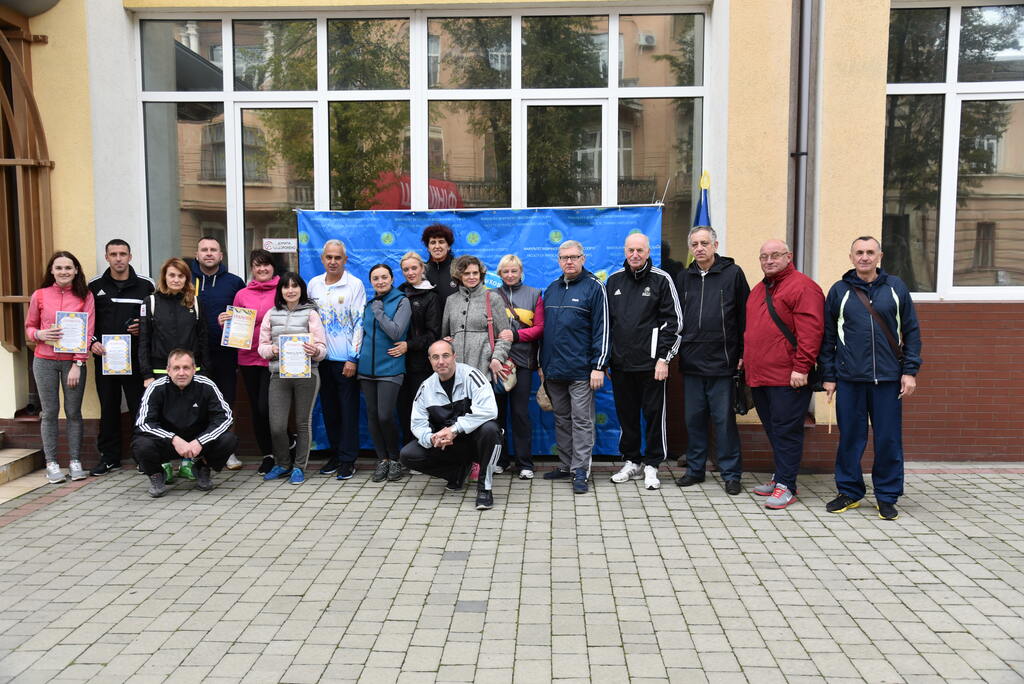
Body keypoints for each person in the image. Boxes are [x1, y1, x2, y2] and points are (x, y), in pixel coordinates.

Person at [820, 236, 922, 521]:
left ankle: (887, 497)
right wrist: (828, 375)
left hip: (888, 380)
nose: (864, 257)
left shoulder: (896, 288)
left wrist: (910, 371)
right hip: (850, 379)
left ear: (880, 256)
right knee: (850, 439)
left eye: (869, 252)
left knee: (888, 440)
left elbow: (911, 331)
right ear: (851, 257)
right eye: (859, 253)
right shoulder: (839, 291)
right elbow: (827, 337)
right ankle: (849, 492)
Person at [743, 240, 824, 510]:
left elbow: (811, 332)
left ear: (789, 256)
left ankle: (787, 486)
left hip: (788, 377)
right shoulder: (759, 290)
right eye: (764, 256)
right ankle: (780, 477)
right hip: (761, 376)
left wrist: (802, 367)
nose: (769, 261)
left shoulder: (803, 287)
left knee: (787, 432)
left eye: (775, 255)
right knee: (775, 430)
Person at [673, 227, 749, 494]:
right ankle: (695, 470)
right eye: (694, 244)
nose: (700, 248)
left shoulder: (733, 274)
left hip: (723, 362)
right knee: (694, 420)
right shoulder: (684, 277)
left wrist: (743, 353)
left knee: (723, 422)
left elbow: (745, 316)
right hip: (692, 362)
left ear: (715, 245)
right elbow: (676, 318)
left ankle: (731, 474)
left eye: (704, 243)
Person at [606, 234, 681, 491]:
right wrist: (608, 360)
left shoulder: (662, 279)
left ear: (648, 252)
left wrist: (663, 359)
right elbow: (607, 324)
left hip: (652, 366)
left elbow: (674, 323)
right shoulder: (614, 281)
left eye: (640, 250)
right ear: (625, 252)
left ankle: (652, 464)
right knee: (626, 416)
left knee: (653, 416)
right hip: (621, 365)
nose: (635, 254)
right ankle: (632, 461)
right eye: (631, 250)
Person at [539, 240, 609, 495]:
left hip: (581, 371)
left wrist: (598, 366)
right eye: (564, 257)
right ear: (558, 261)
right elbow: (545, 330)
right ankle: (567, 465)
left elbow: (603, 329)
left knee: (582, 422)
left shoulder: (595, 287)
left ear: (583, 258)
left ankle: (581, 471)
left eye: (573, 257)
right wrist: (542, 364)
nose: (569, 261)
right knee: (562, 420)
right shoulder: (552, 289)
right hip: (554, 370)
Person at [399, 340, 502, 511]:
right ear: (430, 360)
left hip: (476, 442)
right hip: (450, 446)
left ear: (454, 356)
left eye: (445, 356)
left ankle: (485, 488)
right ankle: (457, 473)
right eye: (435, 357)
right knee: (408, 455)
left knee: (491, 429)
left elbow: (490, 410)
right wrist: (432, 438)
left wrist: (454, 429)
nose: (441, 361)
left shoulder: (472, 376)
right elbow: (417, 424)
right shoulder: (426, 387)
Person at [25, 251, 96, 484]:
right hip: (44, 360)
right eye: (59, 268)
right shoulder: (40, 295)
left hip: (72, 363)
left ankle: (75, 461)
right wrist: (39, 334)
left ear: (76, 271)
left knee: (73, 412)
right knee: (50, 412)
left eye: (68, 267)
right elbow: (29, 327)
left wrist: (78, 363)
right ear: (52, 271)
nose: (63, 271)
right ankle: (52, 463)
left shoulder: (85, 296)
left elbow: (88, 332)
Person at [441, 255, 512, 483]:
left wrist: (497, 358)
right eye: (466, 273)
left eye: (475, 273)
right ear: (459, 276)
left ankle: (486, 465)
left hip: (484, 370)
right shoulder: (451, 300)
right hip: (457, 374)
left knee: (485, 422)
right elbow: (445, 334)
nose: (471, 277)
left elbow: (505, 336)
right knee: (459, 420)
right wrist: (447, 343)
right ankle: (463, 465)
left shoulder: (493, 298)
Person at [87, 239, 154, 475]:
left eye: (122, 254)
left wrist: (142, 327)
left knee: (139, 407)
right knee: (108, 408)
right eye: (113, 254)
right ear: (106, 257)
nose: (118, 258)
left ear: (130, 256)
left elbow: (155, 318)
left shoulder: (146, 285)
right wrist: (92, 342)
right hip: (105, 358)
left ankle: (141, 456)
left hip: (136, 359)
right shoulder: (94, 286)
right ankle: (109, 457)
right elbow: (87, 319)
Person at [139, 257, 209, 482]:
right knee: (161, 418)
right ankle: (165, 465)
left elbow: (203, 339)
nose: (176, 279)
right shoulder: (150, 302)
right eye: (172, 275)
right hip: (160, 371)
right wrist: (147, 374)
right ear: (164, 277)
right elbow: (144, 340)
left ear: (187, 279)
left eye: (181, 276)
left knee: (192, 417)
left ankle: (188, 463)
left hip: (191, 371)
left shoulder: (194, 302)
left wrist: (205, 371)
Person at [133, 349, 237, 497]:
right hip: (167, 443)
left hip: (198, 444)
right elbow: (143, 423)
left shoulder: (206, 385)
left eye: (186, 368)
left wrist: (200, 441)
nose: (181, 373)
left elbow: (225, 417)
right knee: (141, 444)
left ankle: (202, 467)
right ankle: (157, 474)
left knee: (228, 440)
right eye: (176, 368)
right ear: (168, 370)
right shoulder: (155, 387)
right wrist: (173, 439)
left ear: (194, 369)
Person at [257, 273, 327, 485]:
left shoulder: (311, 314)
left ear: (301, 289)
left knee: (302, 423)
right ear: (280, 291)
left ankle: (299, 467)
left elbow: (322, 348)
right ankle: (282, 463)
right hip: (279, 374)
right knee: (277, 425)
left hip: (307, 374)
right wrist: (272, 350)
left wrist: (315, 350)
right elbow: (261, 347)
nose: (290, 290)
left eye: (294, 286)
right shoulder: (271, 314)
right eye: (286, 287)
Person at [307, 239, 365, 480]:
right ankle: (335, 454)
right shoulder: (313, 284)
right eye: (329, 257)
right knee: (329, 410)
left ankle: (348, 459)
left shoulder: (355, 284)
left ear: (345, 260)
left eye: (337, 258)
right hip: (321, 359)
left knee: (348, 411)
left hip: (345, 360)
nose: (333, 261)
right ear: (322, 259)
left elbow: (359, 323)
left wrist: (353, 358)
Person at [218, 249, 278, 473]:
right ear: (251, 269)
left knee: (268, 407)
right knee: (256, 409)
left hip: (274, 357)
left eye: (266, 264)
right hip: (248, 359)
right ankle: (268, 455)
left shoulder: (282, 290)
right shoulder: (242, 294)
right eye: (257, 265)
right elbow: (236, 328)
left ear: (273, 267)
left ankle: (287, 443)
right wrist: (225, 323)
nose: (262, 269)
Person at [358, 263, 411, 483]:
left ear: (391, 278)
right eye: (376, 278)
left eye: (384, 277)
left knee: (385, 415)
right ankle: (383, 460)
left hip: (390, 367)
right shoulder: (370, 303)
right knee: (372, 416)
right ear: (371, 282)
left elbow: (396, 332)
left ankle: (396, 459)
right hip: (366, 369)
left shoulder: (402, 301)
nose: (380, 281)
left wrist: (379, 312)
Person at [494, 254, 544, 480]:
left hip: (523, 362)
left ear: (521, 272)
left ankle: (525, 463)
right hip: (497, 363)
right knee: (496, 414)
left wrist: (516, 335)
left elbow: (540, 328)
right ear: (499, 274)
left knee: (520, 413)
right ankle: (500, 460)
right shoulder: (491, 295)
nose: (510, 275)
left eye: (514, 270)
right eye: (505, 271)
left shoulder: (534, 294)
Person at [190, 236, 245, 407]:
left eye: (213, 250)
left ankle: (225, 426)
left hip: (225, 354)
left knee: (226, 401)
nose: (209, 253)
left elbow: (245, 317)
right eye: (204, 250)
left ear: (221, 256)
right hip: (193, 352)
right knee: (197, 403)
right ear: (197, 255)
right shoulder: (186, 281)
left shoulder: (235, 282)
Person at [396, 251, 443, 446]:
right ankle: (409, 451)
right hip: (398, 364)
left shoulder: (431, 296)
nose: (410, 272)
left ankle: (426, 449)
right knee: (403, 408)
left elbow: (433, 334)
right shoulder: (397, 293)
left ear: (422, 268)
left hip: (421, 365)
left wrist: (409, 345)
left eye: (414, 268)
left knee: (422, 410)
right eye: (406, 269)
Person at [421, 223, 458, 301]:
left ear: (448, 246)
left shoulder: (459, 269)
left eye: (441, 242)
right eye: (433, 242)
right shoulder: (422, 271)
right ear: (428, 248)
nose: (437, 246)